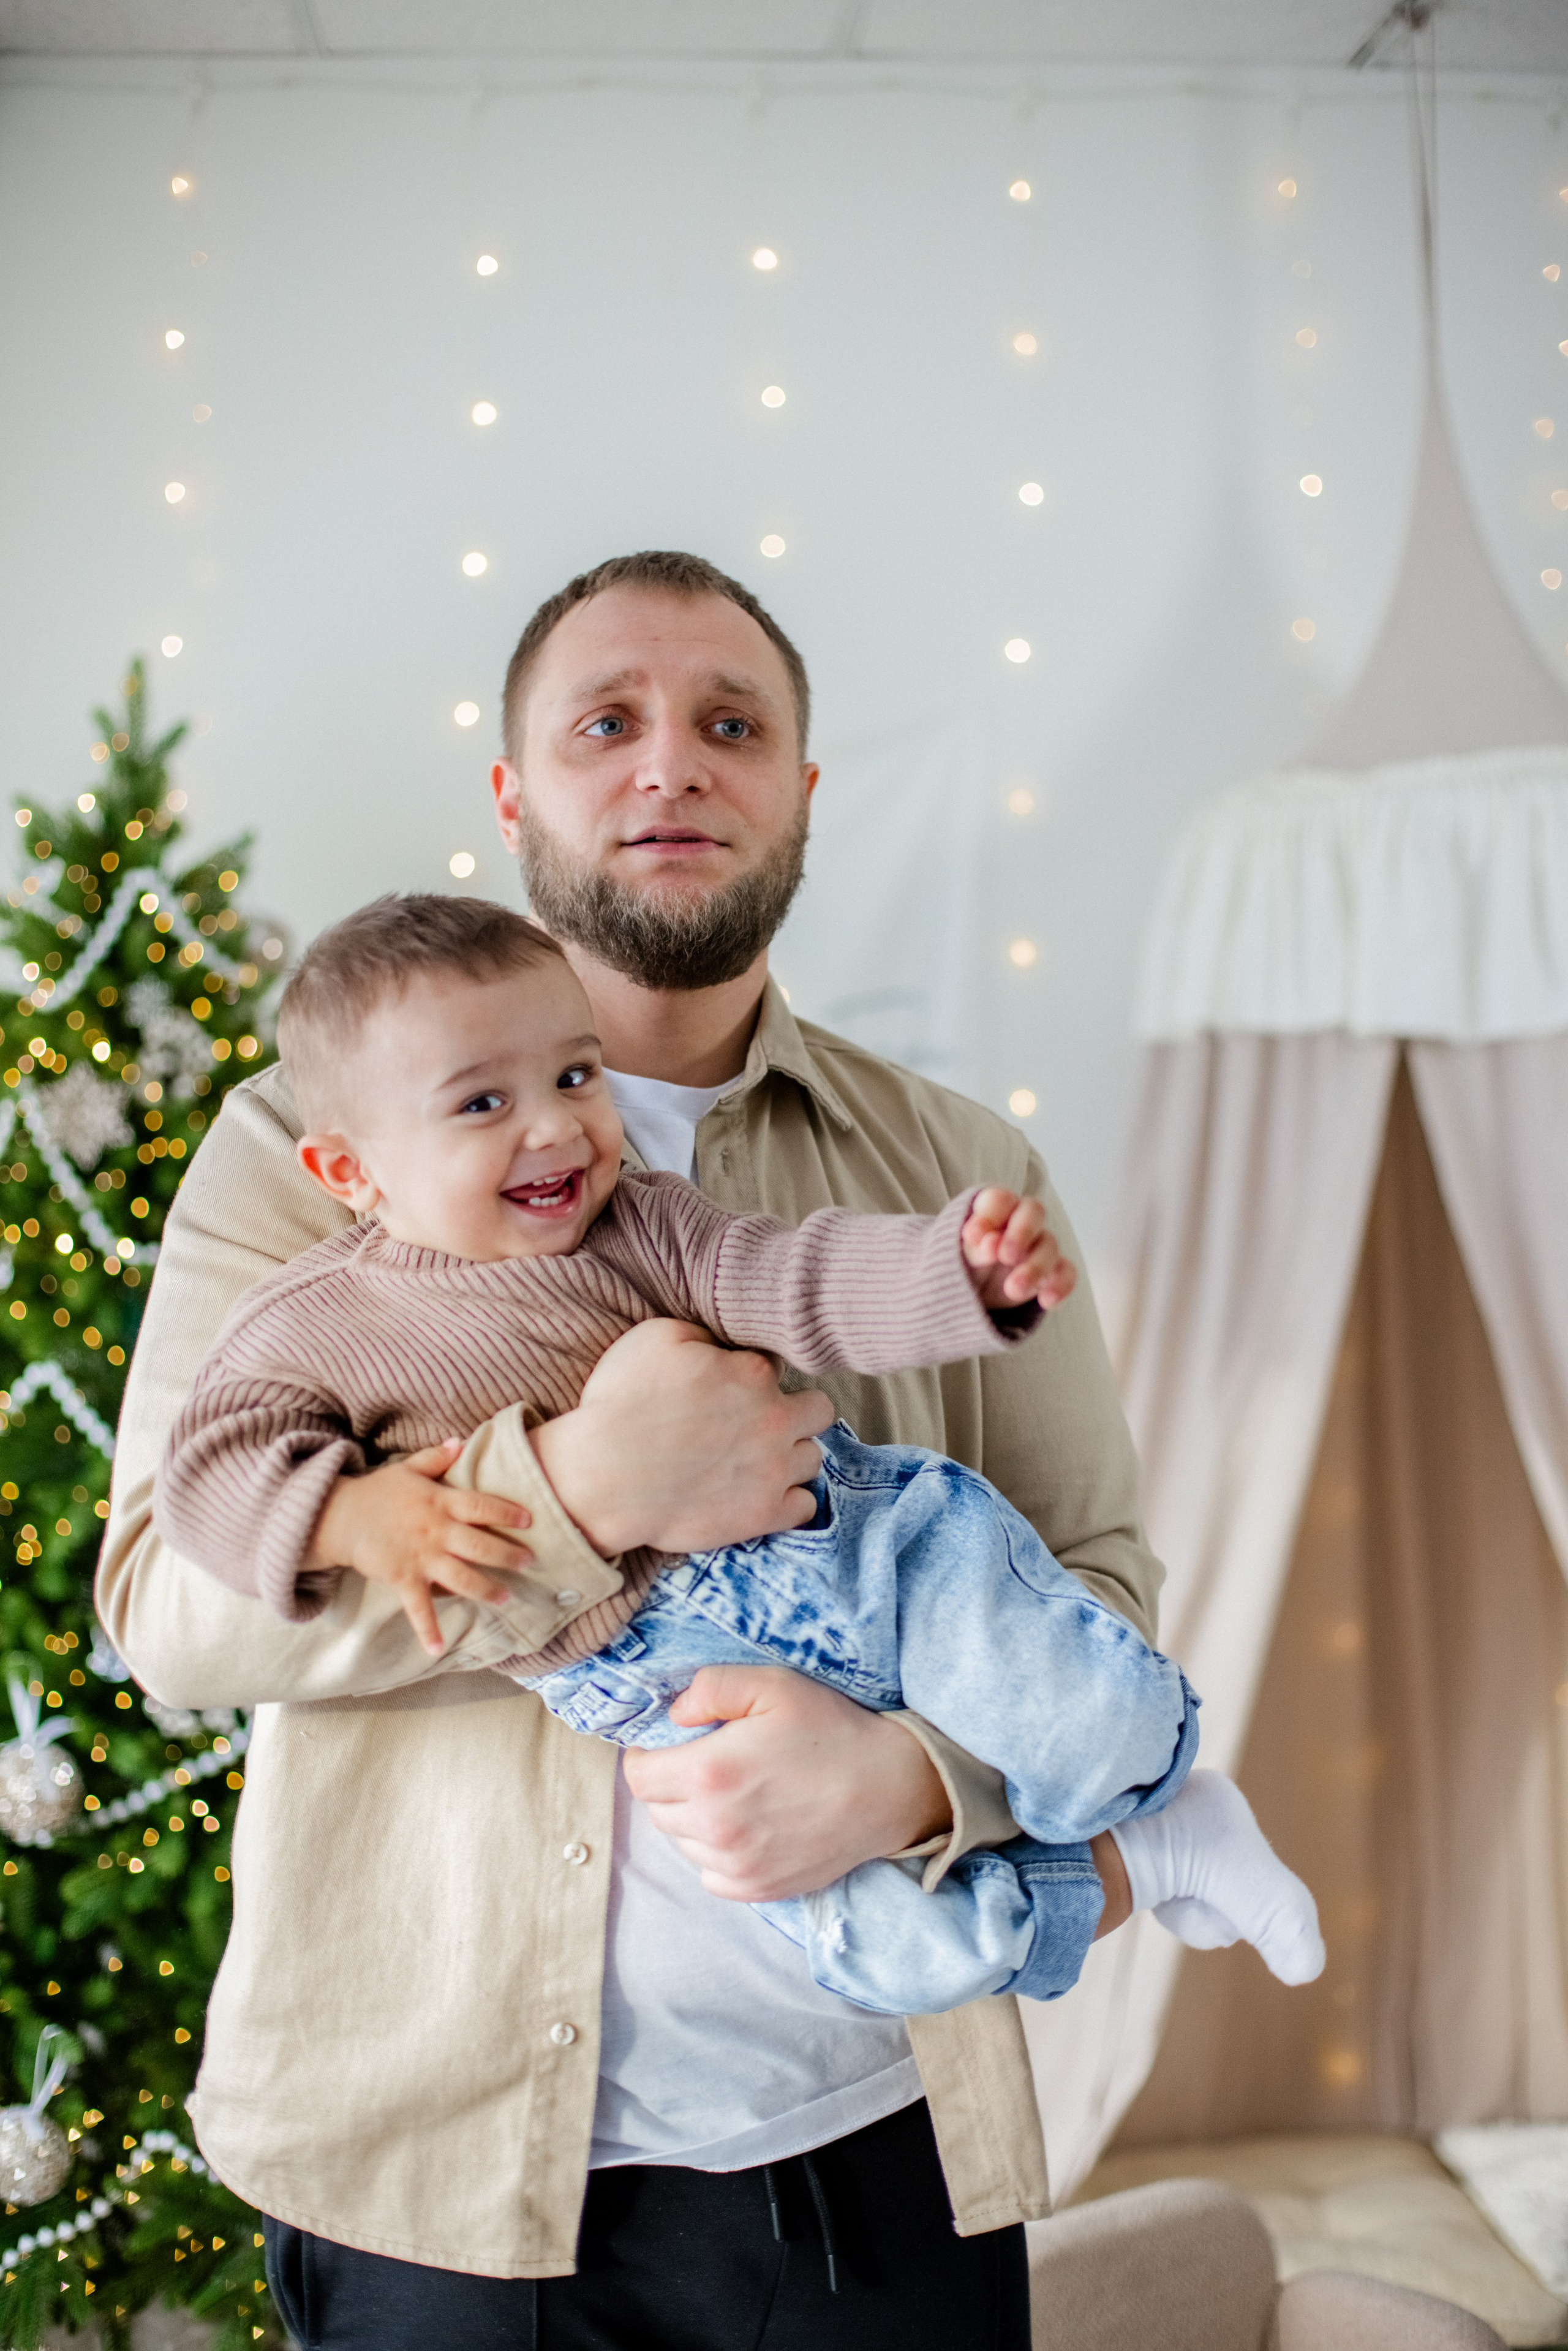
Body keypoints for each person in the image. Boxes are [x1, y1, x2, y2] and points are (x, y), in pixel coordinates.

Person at [98, 549, 1235, 2347]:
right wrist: (573, 1496)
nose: (670, 764)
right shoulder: (298, 1154)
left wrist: (920, 1777)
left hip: (883, 2145)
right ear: (512, 794)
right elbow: (164, 1604)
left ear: (799, 788)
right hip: (431, 2178)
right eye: (605, 722)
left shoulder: (947, 1159)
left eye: (731, 724)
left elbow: (1093, 1572)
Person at [152, 896, 1317, 2029]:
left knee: (1102, 1721)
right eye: (483, 1103)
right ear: (351, 1172)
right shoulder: (309, 1321)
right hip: (666, 1680)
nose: (555, 1127)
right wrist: (361, 1520)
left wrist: (955, 1278)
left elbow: (793, 1278)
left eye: (574, 1075)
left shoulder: (642, 1219)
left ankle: (1167, 1793)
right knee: (896, 1955)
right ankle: (1149, 1854)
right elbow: (210, 1475)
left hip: (858, 1549)